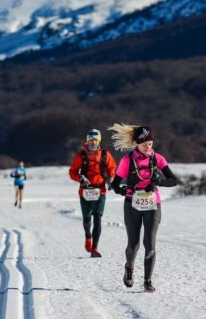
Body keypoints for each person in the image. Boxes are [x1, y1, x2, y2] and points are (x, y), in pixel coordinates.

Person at [109, 123, 177, 293]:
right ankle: (129, 268)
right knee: (134, 244)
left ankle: (147, 281)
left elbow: (173, 180)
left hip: (153, 204)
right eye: (145, 144)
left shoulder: (158, 158)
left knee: (150, 243)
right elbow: (115, 184)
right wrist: (122, 190)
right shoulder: (127, 160)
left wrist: (159, 181)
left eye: (150, 143)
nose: (148, 147)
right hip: (132, 204)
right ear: (137, 144)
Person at [69, 128, 117, 257]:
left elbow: (112, 167)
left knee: (98, 218)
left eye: (96, 140)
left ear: (99, 140)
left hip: (100, 190)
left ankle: (94, 249)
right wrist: (80, 178)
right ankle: (88, 236)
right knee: (86, 219)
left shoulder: (106, 154)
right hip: (84, 191)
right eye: (91, 139)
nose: (93, 142)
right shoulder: (81, 155)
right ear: (87, 140)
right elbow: (72, 171)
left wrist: (111, 178)